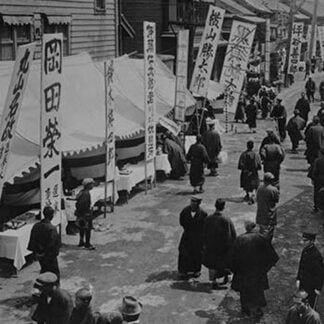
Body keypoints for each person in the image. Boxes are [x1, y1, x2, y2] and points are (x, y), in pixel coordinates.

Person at [231, 221, 279, 317]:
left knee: (244, 292)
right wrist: (265, 269)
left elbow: (233, 259)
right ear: (254, 228)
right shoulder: (262, 238)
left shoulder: (240, 239)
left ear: (246, 228)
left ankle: (245, 309)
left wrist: (236, 270)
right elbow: (273, 257)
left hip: (244, 272)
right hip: (258, 272)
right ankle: (257, 309)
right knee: (258, 290)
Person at [202, 199, 237, 289]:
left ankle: (213, 281)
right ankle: (225, 277)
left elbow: (204, 232)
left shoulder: (208, 218)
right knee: (224, 263)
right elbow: (232, 234)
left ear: (215, 206)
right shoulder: (226, 219)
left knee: (212, 264)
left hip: (211, 246)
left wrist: (205, 244)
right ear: (224, 207)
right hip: (223, 247)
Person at [28, 206, 61, 283]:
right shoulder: (52, 228)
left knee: (43, 272)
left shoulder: (36, 226)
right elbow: (54, 245)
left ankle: (43, 290)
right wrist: (46, 253)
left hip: (39, 255)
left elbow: (33, 240)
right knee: (54, 274)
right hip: (49, 256)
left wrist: (37, 253)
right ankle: (54, 291)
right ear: (52, 216)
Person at [178, 195, 208, 279]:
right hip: (187, 235)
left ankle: (196, 270)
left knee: (197, 253)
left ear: (198, 203)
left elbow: (204, 225)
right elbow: (182, 222)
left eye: (195, 202)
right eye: (192, 202)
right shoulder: (185, 211)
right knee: (183, 251)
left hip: (198, 237)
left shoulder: (203, 214)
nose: (193, 204)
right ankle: (183, 271)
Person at [296, 226, 324, 308]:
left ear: (312, 241)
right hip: (303, 282)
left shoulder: (316, 256)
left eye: (306, 241)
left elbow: (320, 273)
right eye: (303, 240)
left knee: (310, 304)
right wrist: (298, 278)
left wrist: (318, 288)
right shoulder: (305, 251)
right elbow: (301, 266)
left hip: (311, 285)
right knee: (301, 300)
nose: (303, 242)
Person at [256, 172, 280, 241]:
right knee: (269, 234)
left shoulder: (259, 188)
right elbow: (276, 200)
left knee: (261, 233)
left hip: (260, 215)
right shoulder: (274, 190)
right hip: (270, 216)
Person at [238, 140, 262, 204]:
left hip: (245, 172)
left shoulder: (243, 154)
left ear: (247, 146)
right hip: (254, 173)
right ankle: (253, 195)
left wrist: (246, 170)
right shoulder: (256, 154)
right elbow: (259, 165)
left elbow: (240, 165)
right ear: (253, 146)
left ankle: (247, 195)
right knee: (254, 185)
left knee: (246, 185)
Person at [75, 178, 96, 250]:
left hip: (80, 214)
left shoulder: (81, 192)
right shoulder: (86, 193)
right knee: (87, 229)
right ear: (88, 185)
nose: (93, 185)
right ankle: (87, 244)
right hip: (85, 214)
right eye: (91, 184)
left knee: (81, 228)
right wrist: (86, 213)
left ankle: (81, 242)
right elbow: (82, 204)